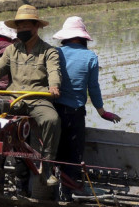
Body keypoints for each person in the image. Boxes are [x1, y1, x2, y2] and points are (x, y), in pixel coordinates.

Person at [0, 5, 61, 186]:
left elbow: (54, 71)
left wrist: (54, 86)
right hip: (13, 97)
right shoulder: (11, 50)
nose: (23, 30)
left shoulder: (49, 51)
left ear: (36, 27)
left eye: (26, 27)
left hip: (37, 98)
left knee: (52, 120)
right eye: (20, 27)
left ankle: (47, 166)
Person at [52, 16, 121, 189]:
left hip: (53, 111)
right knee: (73, 155)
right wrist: (102, 112)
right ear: (83, 37)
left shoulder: (54, 53)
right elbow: (93, 88)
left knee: (56, 151)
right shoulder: (90, 57)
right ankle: (69, 190)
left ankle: (53, 188)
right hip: (75, 114)